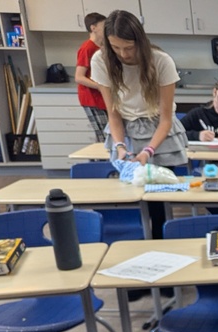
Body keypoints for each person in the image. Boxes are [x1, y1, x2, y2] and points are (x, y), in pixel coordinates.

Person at [92, 9, 188, 240]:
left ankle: (160, 244)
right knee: (128, 196)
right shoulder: (101, 60)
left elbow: (166, 118)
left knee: (158, 205)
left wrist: (147, 151)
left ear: (140, 41)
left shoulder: (161, 61)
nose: (123, 54)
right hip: (126, 130)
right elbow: (113, 115)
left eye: (128, 47)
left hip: (158, 132)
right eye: (116, 48)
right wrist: (120, 146)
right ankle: (133, 244)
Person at [74, 12, 107, 143]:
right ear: (93, 28)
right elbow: (79, 77)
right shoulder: (87, 48)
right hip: (92, 98)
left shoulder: (101, 47)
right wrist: (100, 86)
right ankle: (103, 162)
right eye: (104, 26)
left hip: (102, 97)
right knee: (104, 135)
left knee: (109, 132)